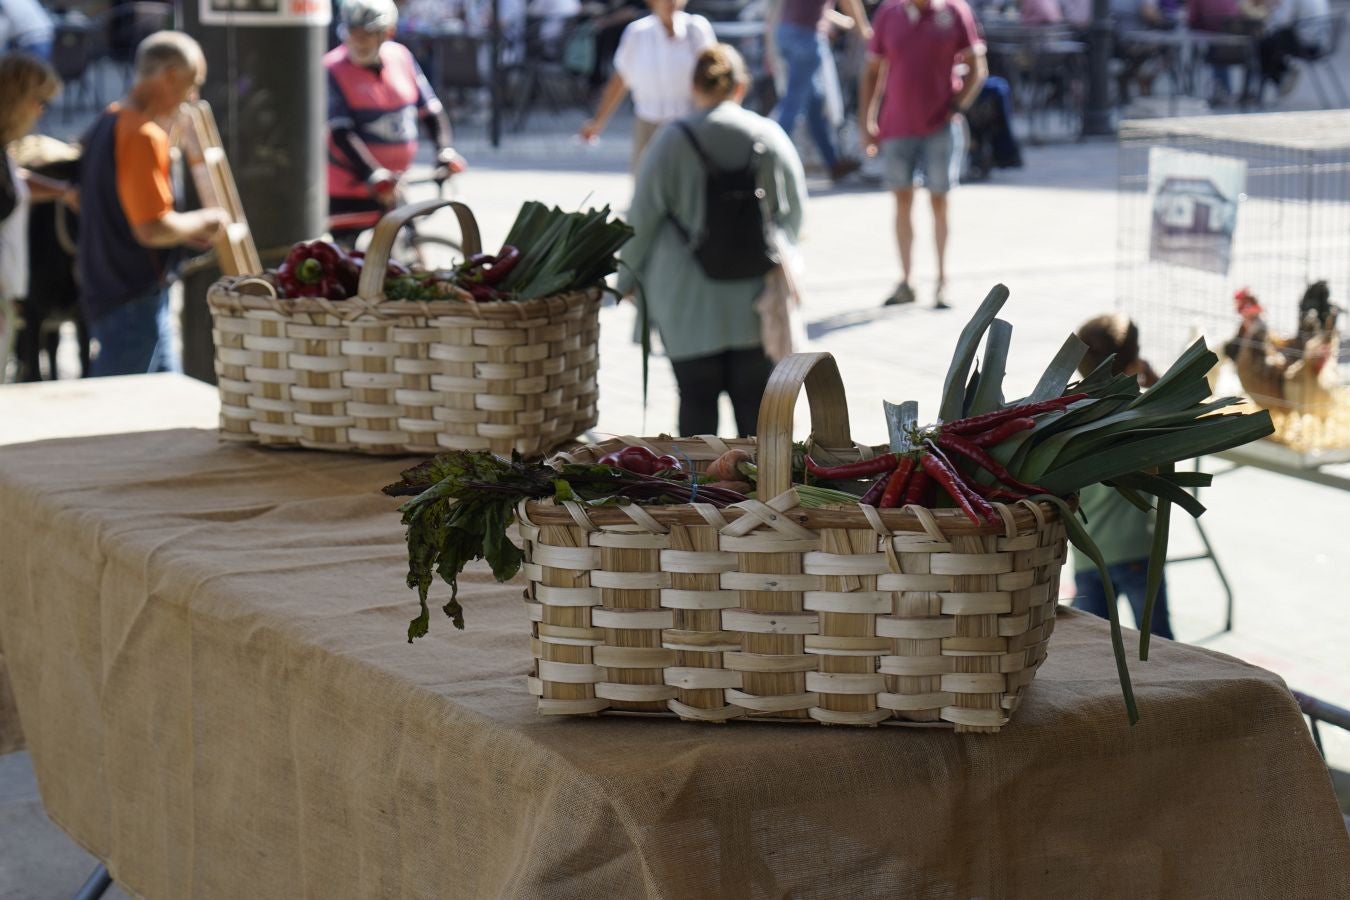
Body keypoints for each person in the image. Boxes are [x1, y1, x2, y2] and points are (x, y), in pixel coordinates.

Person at [618, 43, 807, 437]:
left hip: (686, 303)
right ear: (741, 86)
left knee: (696, 407)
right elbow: (794, 218)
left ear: (694, 87)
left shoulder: (671, 140)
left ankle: (698, 494)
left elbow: (642, 219)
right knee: (758, 421)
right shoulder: (769, 136)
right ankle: (764, 493)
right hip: (755, 302)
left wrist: (626, 280)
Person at [76, 32, 229, 377]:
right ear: (171, 76)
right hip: (131, 297)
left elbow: (122, 211)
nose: (192, 96)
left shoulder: (108, 120)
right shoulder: (143, 134)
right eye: (193, 84)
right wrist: (206, 219)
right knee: (124, 415)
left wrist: (180, 231)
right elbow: (151, 227)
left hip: (114, 289)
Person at [860, 0, 986, 310]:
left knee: (939, 200)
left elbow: (977, 67)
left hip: (939, 126)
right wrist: (867, 121)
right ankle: (907, 280)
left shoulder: (955, 12)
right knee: (902, 200)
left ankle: (943, 281)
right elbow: (873, 70)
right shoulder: (889, 13)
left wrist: (957, 106)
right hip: (897, 124)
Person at [1071, 314, 1175, 640]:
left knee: (1090, 644)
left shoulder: (1072, 414)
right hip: (1135, 549)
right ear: (1131, 361)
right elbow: (1177, 423)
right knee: (1157, 642)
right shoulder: (1141, 412)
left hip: (1088, 552)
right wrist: (1154, 380)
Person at [326, 0, 463, 244]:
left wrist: (445, 151)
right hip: (350, 186)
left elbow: (430, 112)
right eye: (353, 32)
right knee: (345, 264)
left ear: (387, 33)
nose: (358, 40)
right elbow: (340, 131)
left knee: (404, 256)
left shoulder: (401, 57)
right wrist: (374, 173)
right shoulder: (332, 68)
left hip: (394, 184)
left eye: (367, 34)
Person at [579, 0, 716, 172]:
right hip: (649, 123)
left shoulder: (696, 29)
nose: (671, 2)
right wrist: (598, 122)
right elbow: (621, 78)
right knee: (647, 187)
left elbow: (714, 76)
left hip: (690, 124)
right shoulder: (638, 32)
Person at [0, 53, 67, 382]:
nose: (41, 111)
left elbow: (14, 183)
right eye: (39, 101)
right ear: (16, 99)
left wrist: (63, 191)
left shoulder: (5, 149)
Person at [770, 0, 869, 182]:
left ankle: (832, 162)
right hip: (804, 37)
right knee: (793, 104)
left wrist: (847, 23)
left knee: (814, 104)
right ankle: (768, 161)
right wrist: (863, 30)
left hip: (787, 33)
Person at [1258, 0, 1330, 96]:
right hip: (1319, 43)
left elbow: (1282, 22)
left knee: (1264, 45)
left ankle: (1280, 77)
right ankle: (1283, 73)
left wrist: (1273, 8)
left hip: (1303, 44)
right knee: (1271, 43)